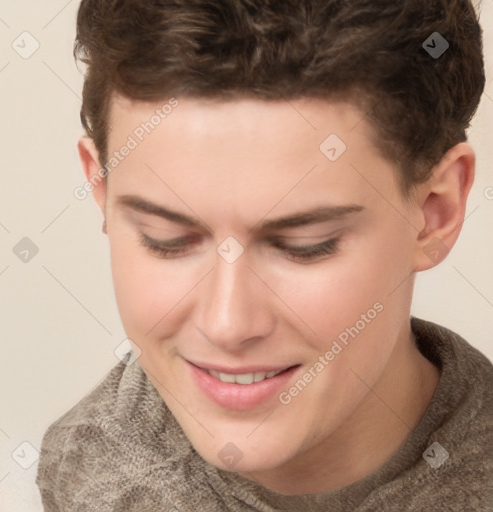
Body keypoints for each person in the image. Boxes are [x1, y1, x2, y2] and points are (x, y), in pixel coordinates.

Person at [36, 0, 493, 510]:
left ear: (435, 212)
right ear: (101, 189)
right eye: (163, 237)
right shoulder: (86, 472)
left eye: (304, 246)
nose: (228, 325)